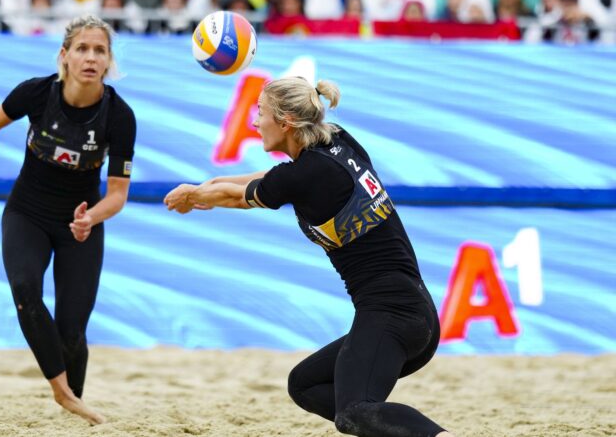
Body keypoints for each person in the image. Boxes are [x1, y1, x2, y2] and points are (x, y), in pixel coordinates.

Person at [164, 77, 454, 437]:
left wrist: (194, 196)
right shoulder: (336, 140)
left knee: (354, 413)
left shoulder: (303, 175)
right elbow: (268, 179)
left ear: (284, 121)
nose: (254, 121)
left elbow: (238, 196)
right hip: (412, 314)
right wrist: (204, 187)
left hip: (393, 314)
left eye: (260, 112)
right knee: (304, 384)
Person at [0, 14, 136, 425]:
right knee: (24, 288)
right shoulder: (37, 94)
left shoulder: (119, 116)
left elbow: (118, 195)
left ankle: (73, 406)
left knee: (72, 332)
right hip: (28, 212)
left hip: (81, 224)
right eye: (82, 48)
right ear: (64, 56)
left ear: (109, 62)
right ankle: (65, 396)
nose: (91, 57)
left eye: (100, 50)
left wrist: (89, 218)